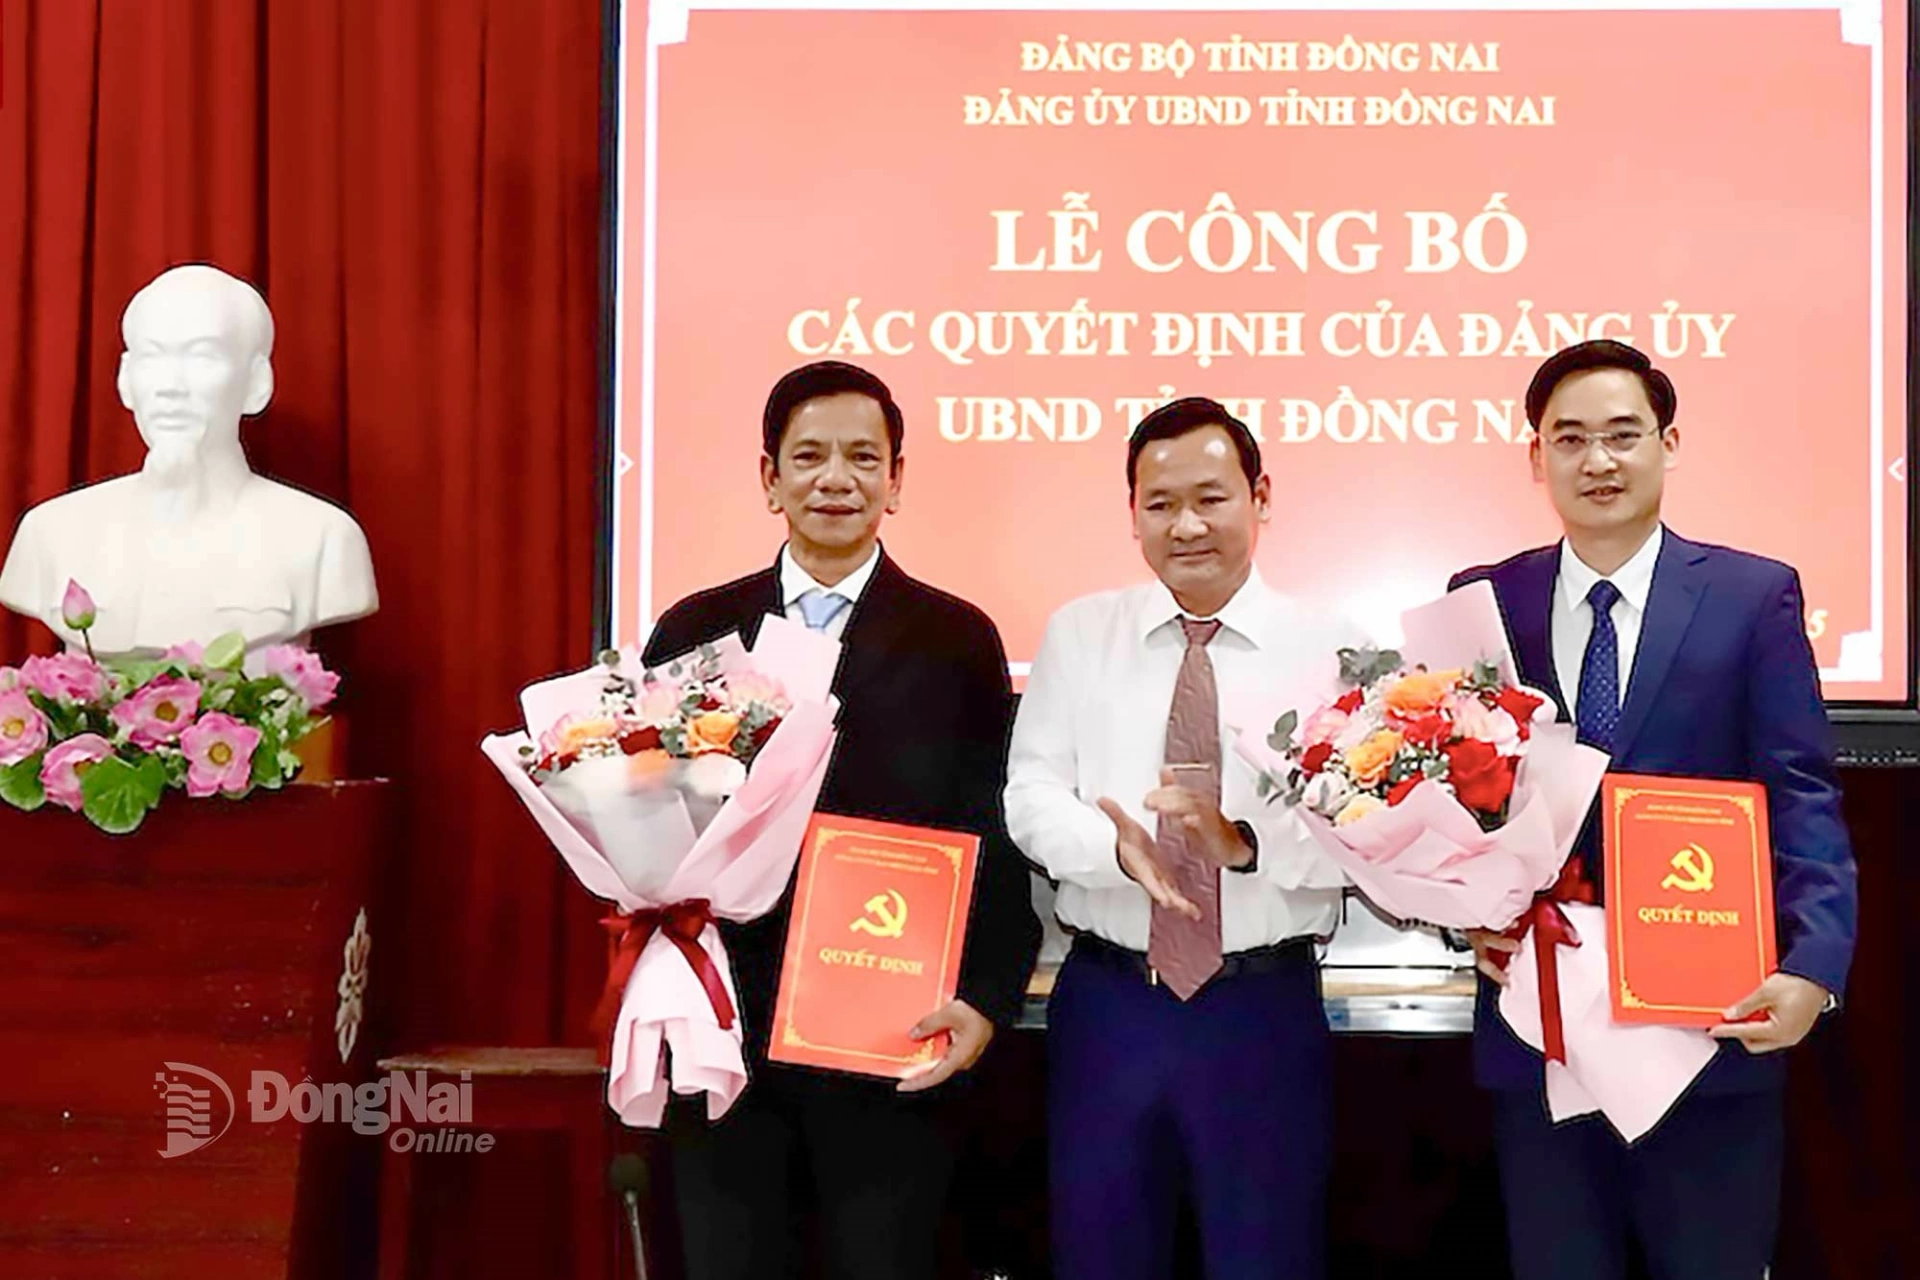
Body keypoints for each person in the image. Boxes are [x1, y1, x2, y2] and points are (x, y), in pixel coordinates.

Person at [1449, 339, 1857, 1280]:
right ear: (1535, 455)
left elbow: (1801, 791)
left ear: (1669, 443)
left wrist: (1814, 966)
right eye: (1572, 438)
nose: (1598, 461)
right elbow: (1455, 803)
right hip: (1541, 1029)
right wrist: (1464, 922)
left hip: (1708, 1025)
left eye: (1624, 436)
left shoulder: (1751, 596)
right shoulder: (1485, 602)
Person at [641, 359, 1041, 1280]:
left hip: (889, 1037)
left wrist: (987, 996)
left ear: (896, 481)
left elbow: (997, 834)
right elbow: (650, 829)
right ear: (768, 478)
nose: (836, 479)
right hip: (725, 1034)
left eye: (864, 457)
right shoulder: (701, 632)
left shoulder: (957, 639)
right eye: (809, 456)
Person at [1005, 397, 1365, 1280]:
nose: (1187, 524)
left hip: (1261, 1007)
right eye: (1160, 504)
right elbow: (1030, 794)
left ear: (1261, 497)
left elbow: (1368, 838)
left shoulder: (1338, 650)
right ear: (1132, 515)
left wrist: (1244, 845)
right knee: (1100, 1254)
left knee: (1268, 1257)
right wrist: (1115, 850)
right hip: (1111, 1001)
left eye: (1212, 496)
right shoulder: (1081, 633)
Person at [0, 264, 377, 659]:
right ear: (126, 380)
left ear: (257, 383)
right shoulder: (50, 532)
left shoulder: (323, 538)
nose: (170, 387)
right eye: (152, 358)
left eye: (202, 357)